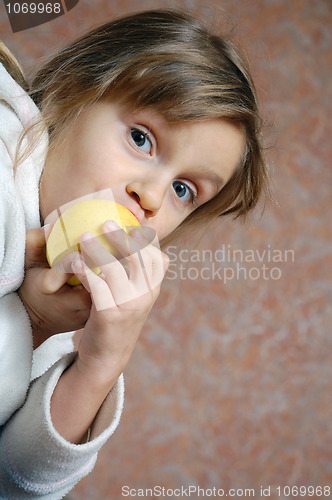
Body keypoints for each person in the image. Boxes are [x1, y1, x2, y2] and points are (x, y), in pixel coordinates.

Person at [0, 9, 267, 498]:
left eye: (184, 189)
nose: (151, 197)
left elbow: (16, 482)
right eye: (141, 139)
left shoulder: (67, 306)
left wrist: (100, 363)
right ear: (71, 92)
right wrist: (30, 322)